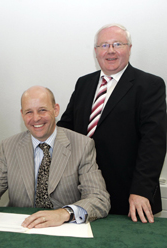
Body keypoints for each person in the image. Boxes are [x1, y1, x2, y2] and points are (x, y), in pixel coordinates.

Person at [58, 24, 167, 223]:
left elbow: (154, 142)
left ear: (129, 48)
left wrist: (141, 191)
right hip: (81, 192)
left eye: (117, 44)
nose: (110, 51)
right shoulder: (84, 83)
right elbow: (66, 129)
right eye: (104, 45)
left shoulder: (150, 85)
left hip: (128, 197)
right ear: (96, 51)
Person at [0, 86, 110, 228]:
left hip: (63, 229)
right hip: (20, 227)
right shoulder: (9, 146)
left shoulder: (82, 145)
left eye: (42, 110)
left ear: (56, 110)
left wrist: (63, 213)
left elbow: (99, 198)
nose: (36, 118)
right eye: (29, 112)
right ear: (22, 114)